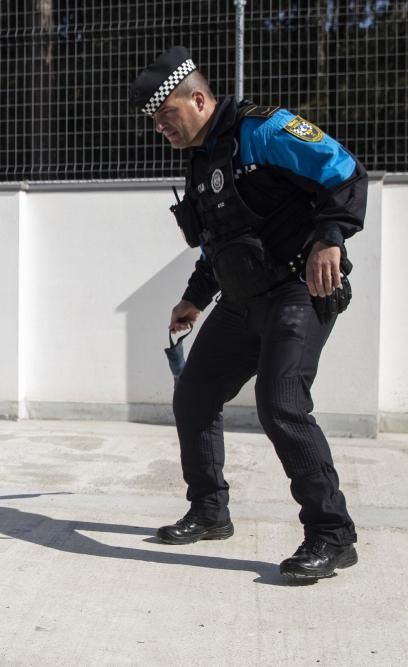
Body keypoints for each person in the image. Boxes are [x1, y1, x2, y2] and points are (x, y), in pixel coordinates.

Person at [128, 46, 366, 581]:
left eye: (166, 116)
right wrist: (195, 296)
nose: (161, 128)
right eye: (155, 122)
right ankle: (210, 510)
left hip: (298, 290)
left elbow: (346, 172)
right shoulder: (199, 161)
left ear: (198, 97)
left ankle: (332, 534)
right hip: (240, 302)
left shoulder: (265, 129)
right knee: (194, 396)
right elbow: (223, 241)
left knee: (280, 405)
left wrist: (330, 237)